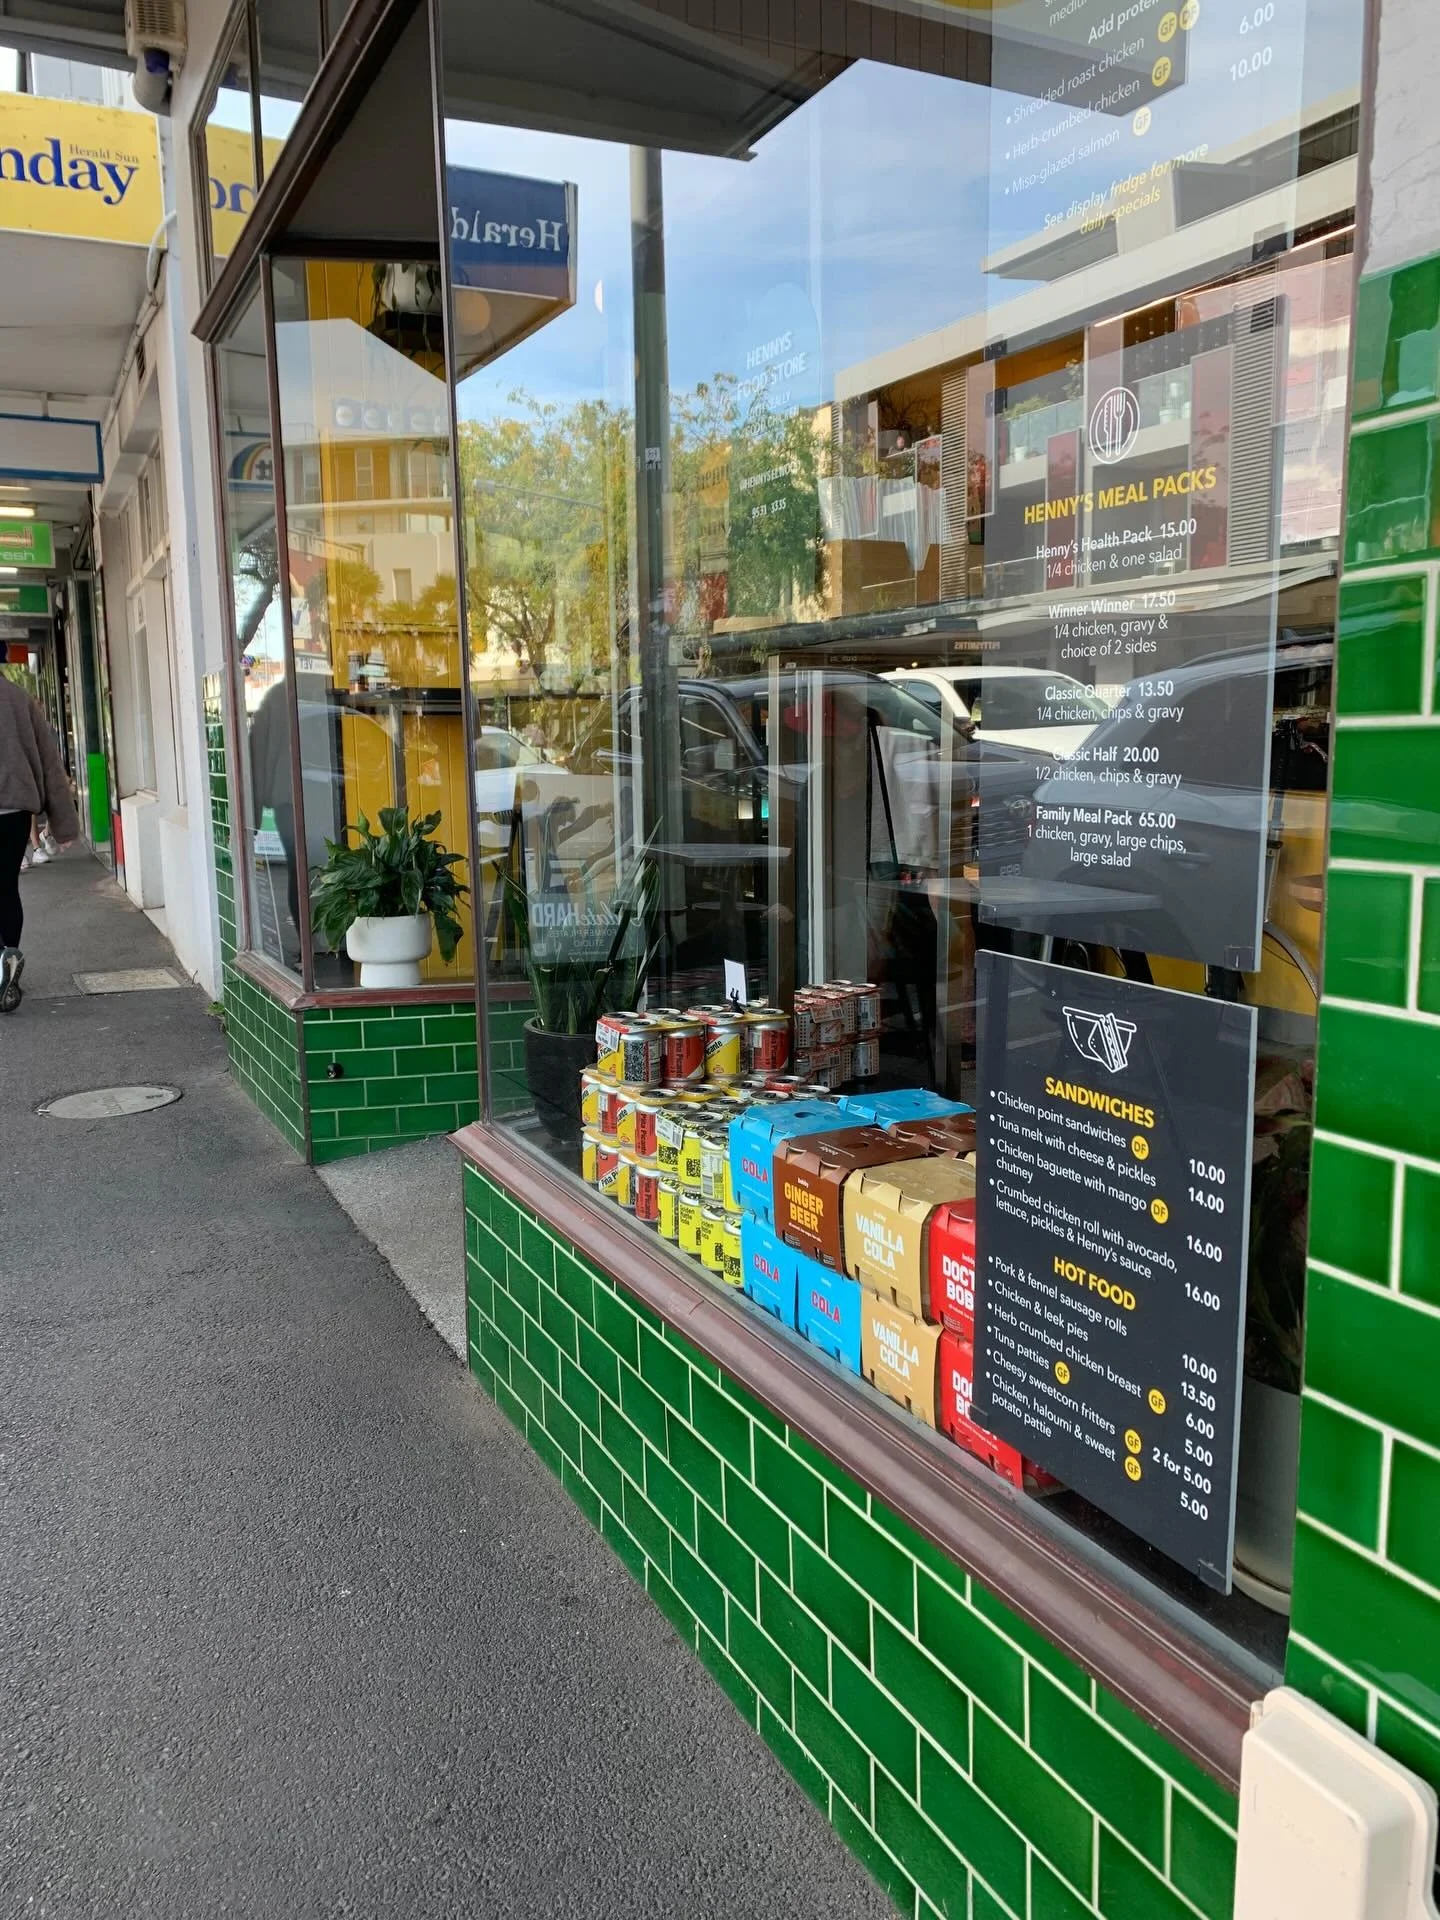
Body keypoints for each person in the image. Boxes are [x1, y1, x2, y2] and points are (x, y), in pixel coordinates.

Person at [0, 647, 81, 1012]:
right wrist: (63, 822)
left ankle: (0, 965)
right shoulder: (19, 699)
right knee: (6, 887)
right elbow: (49, 762)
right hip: (15, 810)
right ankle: (8, 961)